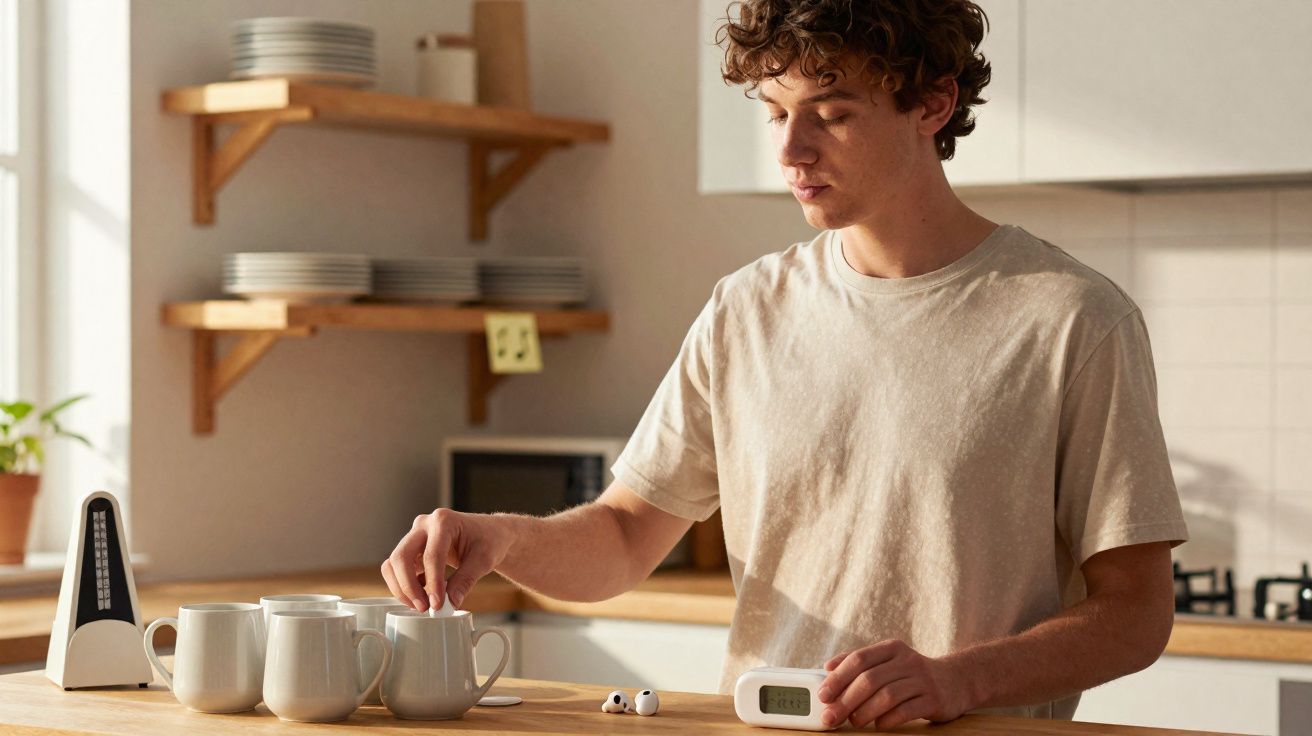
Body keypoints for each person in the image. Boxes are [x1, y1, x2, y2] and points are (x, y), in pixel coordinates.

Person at [381, 0, 1190, 729]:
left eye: (831, 114)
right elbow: (626, 537)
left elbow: (1135, 613)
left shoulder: (1073, 319)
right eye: (774, 113)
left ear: (933, 104)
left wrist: (958, 682)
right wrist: (498, 538)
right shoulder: (746, 310)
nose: (792, 150)